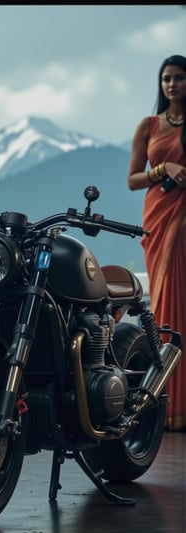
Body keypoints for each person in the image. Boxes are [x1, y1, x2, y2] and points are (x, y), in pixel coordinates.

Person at [127, 54, 186, 432]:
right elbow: (133, 179)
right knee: (165, 307)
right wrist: (165, 169)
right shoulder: (148, 125)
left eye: (179, 78)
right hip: (159, 220)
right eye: (166, 79)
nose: (172, 85)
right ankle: (166, 404)